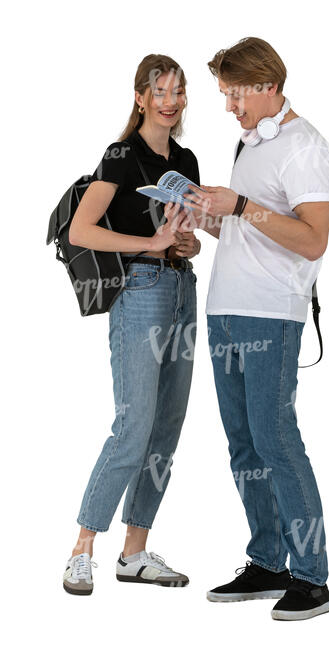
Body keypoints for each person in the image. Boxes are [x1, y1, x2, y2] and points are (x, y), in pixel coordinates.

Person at [183, 37, 329, 621]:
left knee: (276, 441)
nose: (228, 106)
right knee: (244, 444)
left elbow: (312, 240)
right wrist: (205, 217)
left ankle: (311, 577)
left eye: (234, 94)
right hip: (226, 308)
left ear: (267, 85)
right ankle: (268, 561)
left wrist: (242, 205)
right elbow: (256, 231)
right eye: (224, 94)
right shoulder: (251, 144)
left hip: (272, 314)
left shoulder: (306, 147)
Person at [62, 54, 201, 595]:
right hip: (140, 294)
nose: (170, 101)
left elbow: (185, 234)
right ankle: (82, 548)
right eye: (159, 91)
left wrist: (183, 242)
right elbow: (81, 230)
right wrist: (151, 244)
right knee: (134, 425)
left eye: (178, 91)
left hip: (181, 289)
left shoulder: (186, 158)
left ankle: (135, 552)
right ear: (140, 97)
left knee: (166, 427)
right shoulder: (121, 155)